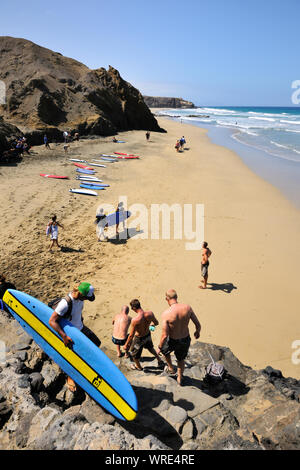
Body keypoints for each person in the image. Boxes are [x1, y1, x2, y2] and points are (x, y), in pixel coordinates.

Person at [49, 282, 100, 392]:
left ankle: (86, 367)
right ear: (81, 294)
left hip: (80, 328)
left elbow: (78, 311)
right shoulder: (65, 303)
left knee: (96, 343)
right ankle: (70, 377)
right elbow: (52, 321)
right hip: (70, 333)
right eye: (87, 297)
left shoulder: (80, 299)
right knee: (74, 356)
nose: (87, 299)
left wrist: (80, 319)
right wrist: (64, 336)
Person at [158, 289, 201, 385]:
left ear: (167, 299)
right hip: (185, 339)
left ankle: (170, 368)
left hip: (173, 340)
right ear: (176, 297)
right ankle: (180, 378)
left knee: (165, 351)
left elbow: (165, 335)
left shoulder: (166, 314)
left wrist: (160, 347)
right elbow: (198, 324)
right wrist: (197, 332)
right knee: (181, 359)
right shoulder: (187, 308)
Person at [124, 299, 164, 371]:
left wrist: (126, 344)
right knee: (151, 348)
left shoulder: (135, 320)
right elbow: (156, 322)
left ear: (134, 308)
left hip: (139, 339)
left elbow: (131, 335)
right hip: (147, 335)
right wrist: (151, 325)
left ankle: (138, 367)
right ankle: (160, 361)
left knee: (133, 353)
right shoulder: (150, 313)